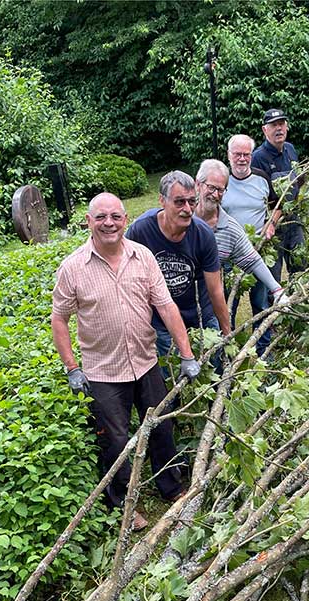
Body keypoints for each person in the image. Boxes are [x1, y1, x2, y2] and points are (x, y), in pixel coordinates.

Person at [51, 193, 201, 530]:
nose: (109, 223)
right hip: (103, 371)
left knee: (162, 426)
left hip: (145, 361)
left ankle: (172, 486)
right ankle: (120, 505)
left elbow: (165, 306)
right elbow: (59, 319)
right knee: (115, 441)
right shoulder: (73, 268)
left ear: (125, 220)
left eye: (116, 217)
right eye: (101, 217)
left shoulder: (143, 257)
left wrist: (187, 354)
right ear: (88, 222)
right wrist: (72, 367)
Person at [125, 172, 232, 365]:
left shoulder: (202, 235)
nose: (188, 209)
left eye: (192, 201)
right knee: (172, 373)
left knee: (214, 371)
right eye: (179, 202)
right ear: (162, 201)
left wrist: (228, 336)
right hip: (161, 320)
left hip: (199, 313)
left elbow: (215, 291)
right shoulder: (140, 231)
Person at [195, 158, 287, 355]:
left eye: (221, 190)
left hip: (209, 299)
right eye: (211, 187)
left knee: (215, 350)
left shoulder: (229, 228)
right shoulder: (182, 220)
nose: (215, 194)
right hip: (181, 300)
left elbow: (252, 259)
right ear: (198, 184)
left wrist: (277, 290)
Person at [251, 109, 306, 279]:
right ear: (264, 129)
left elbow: (298, 180)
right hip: (272, 224)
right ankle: (275, 304)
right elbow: (256, 196)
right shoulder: (258, 158)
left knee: (299, 267)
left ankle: (298, 302)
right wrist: (270, 223)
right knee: (273, 274)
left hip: (293, 219)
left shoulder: (290, 150)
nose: (278, 129)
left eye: (281, 124)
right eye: (273, 125)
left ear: (287, 126)